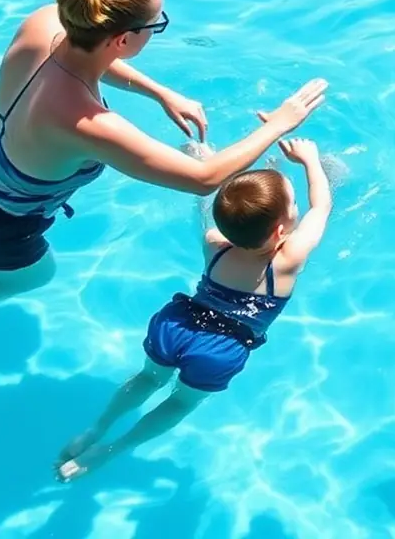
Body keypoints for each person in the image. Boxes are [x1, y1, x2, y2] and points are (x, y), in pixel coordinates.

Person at [0, 0, 327, 316]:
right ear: (124, 39)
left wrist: (159, 92)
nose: (157, 29)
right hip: (2, 227)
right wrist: (279, 123)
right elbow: (203, 179)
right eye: (156, 24)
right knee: (36, 276)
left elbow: (87, 53)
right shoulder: (88, 124)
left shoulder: (46, 21)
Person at [56, 136, 332, 481]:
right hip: (220, 348)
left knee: (147, 378)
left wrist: (218, 173)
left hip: (177, 324)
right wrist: (310, 160)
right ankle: (111, 450)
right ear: (280, 231)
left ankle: (95, 429)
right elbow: (321, 207)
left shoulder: (214, 243)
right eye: (293, 208)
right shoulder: (287, 261)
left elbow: (215, 208)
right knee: (181, 402)